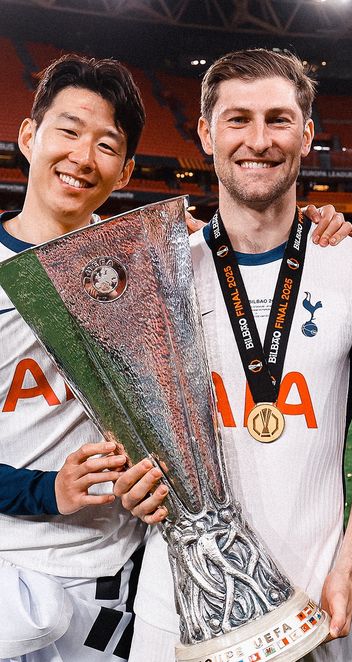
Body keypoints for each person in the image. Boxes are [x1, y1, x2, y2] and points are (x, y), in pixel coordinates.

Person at [114, 48, 352, 662]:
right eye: (237, 119)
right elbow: (122, 426)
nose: (259, 140)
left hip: (312, 605)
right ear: (205, 133)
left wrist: (347, 568)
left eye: (278, 119)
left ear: (307, 134)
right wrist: (130, 483)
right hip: (175, 608)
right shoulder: (155, 278)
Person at [0, 54, 147, 661]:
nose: (83, 157)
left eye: (106, 144)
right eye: (68, 131)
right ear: (28, 136)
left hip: (112, 571)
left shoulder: (144, 268)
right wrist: (46, 491)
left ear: (126, 169)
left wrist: (319, 221)